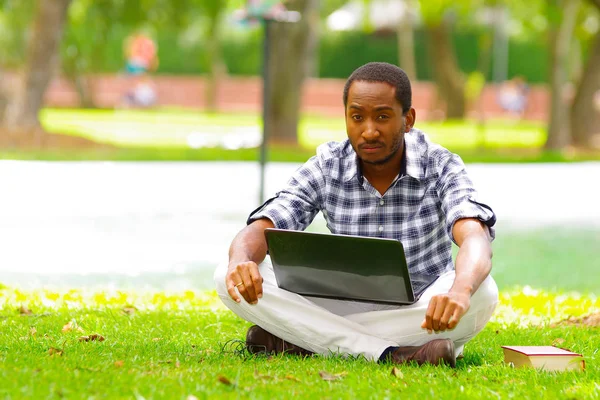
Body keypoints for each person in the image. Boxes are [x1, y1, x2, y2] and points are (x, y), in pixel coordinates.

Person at [214, 62, 498, 367]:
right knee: (226, 275)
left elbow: (474, 236)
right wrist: (241, 260)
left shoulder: (441, 164)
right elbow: (266, 224)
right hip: (338, 305)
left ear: (408, 119)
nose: (369, 131)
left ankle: (304, 341)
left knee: (483, 292)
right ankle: (392, 354)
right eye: (357, 117)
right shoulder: (327, 164)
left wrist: (459, 291)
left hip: (421, 306)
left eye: (383, 117)